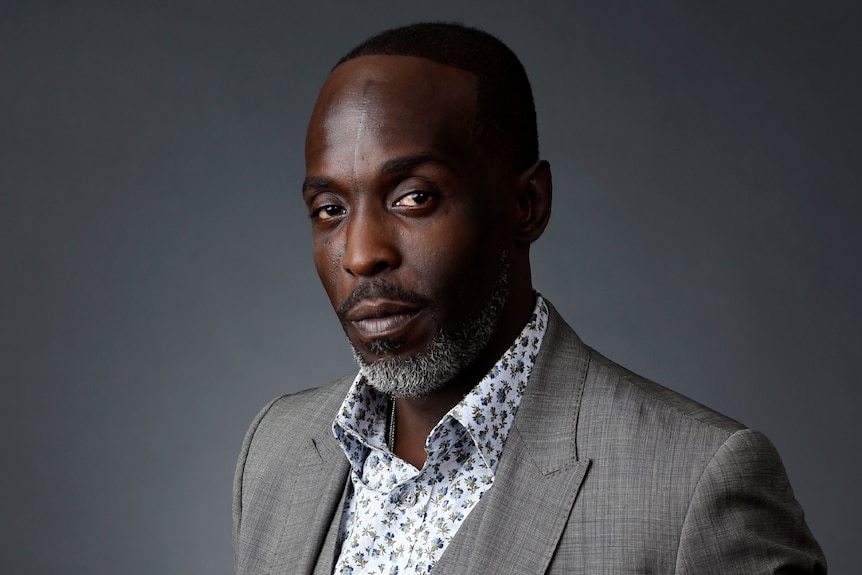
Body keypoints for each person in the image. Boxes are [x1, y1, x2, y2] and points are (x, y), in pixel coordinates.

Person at [233, 23, 826, 574]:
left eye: (414, 197)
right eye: (330, 210)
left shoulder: (697, 486)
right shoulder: (275, 448)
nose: (361, 254)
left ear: (527, 206)